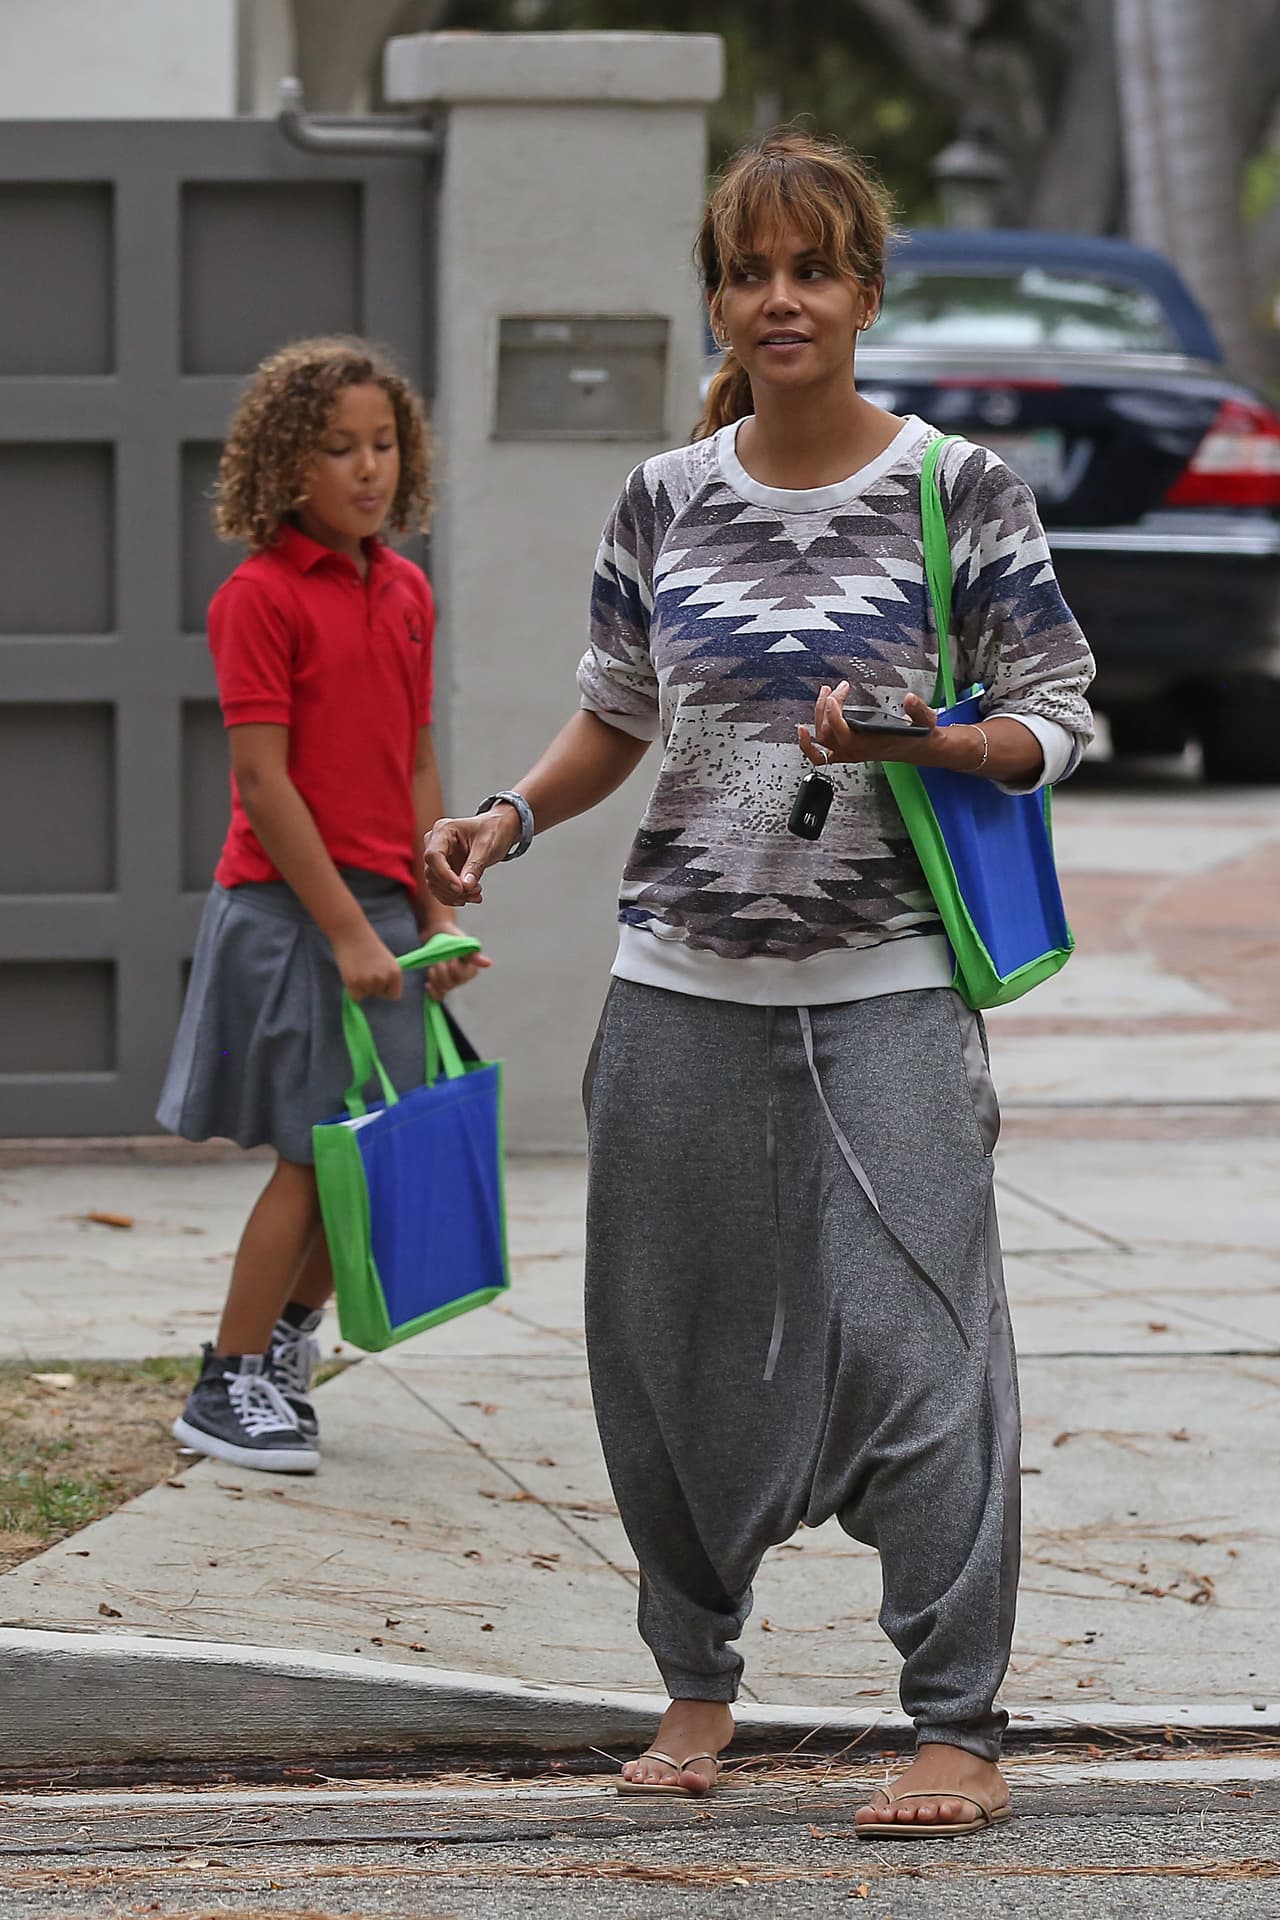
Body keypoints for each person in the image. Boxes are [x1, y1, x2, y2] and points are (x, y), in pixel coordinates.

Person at [425, 133, 1094, 1839]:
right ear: (718, 299)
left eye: (812, 269)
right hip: (677, 986)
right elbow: (615, 713)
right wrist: (509, 815)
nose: (779, 298)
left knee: (924, 1349)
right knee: (666, 1353)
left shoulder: (958, 489)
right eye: (749, 271)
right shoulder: (665, 496)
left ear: (866, 293)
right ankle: (695, 1684)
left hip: (888, 987)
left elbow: (1056, 715)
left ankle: (955, 1726)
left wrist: (930, 742)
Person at [158, 336, 488, 1475]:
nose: (369, 468)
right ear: (286, 463)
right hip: (291, 914)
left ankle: (284, 1348)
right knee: (314, 1156)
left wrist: (436, 913)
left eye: (384, 443)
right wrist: (348, 929)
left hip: (384, 912)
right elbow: (264, 784)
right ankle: (225, 1384)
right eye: (339, 447)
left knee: (374, 1156)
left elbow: (414, 762)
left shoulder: (405, 590)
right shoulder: (257, 597)